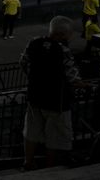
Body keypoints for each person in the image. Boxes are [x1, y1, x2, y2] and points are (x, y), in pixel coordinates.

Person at [21, 16, 86, 170]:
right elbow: (73, 79)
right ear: (62, 34)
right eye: (69, 34)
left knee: (31, 131)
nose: (70, 37)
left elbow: (23, 63)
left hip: (35, 96)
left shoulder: (34, 42)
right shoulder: (63, 51)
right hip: (57, 101)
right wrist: (86, 85)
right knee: (55, 136)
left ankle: (28, 162)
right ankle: (50, 168)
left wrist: (35, 79)